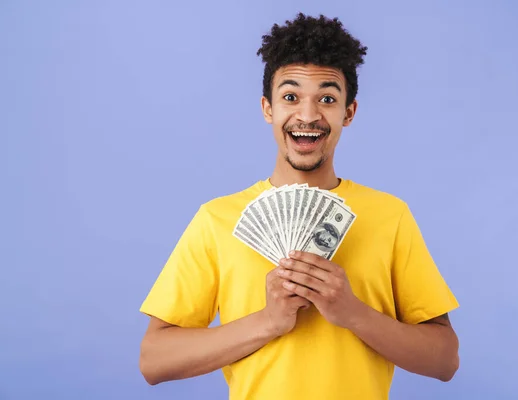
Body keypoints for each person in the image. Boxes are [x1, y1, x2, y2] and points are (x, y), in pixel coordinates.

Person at [139, 13, 460, 400]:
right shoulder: (216, 220)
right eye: (290, 96)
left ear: (349, 112)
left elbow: (444, 360)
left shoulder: (390, 216)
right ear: (268, 108)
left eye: (327, 98)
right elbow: (154, 361)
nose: (307, 116)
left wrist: (351, 313)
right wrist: (269, 321)